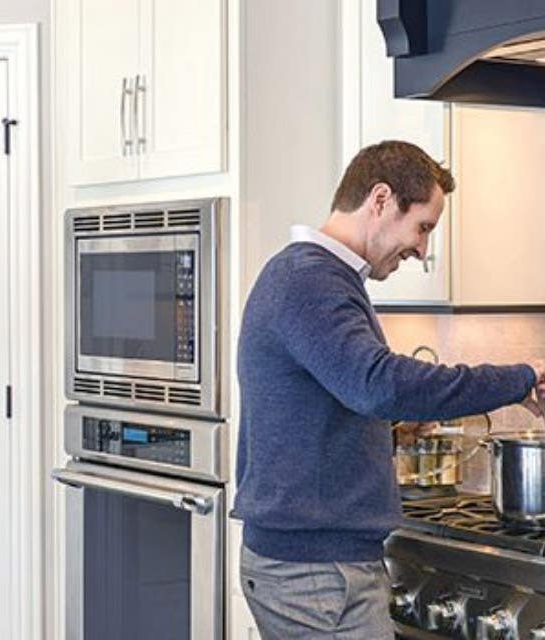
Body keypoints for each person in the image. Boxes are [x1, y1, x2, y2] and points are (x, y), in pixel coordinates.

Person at [231, 140, 545, 639]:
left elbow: (324, 409)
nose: (423, 251)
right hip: (316, 573)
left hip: (316, 566)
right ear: (380, 200)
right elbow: (378, 384)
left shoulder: (316, 277)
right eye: (422, 228)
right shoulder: (310, 281)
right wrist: (520, 378)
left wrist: (387, 433)